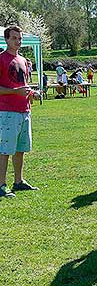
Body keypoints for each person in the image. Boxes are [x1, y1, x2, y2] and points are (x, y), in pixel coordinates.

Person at [0, 25, 40, 198]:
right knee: (5, 149)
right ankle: (1, 184)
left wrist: (31, 93)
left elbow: (21, 84)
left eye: (20, 38)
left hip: (24, 110)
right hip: (7, 111)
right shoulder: (1, 59)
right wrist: (15, 92)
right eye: (14, 38)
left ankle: (19, 181)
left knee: (20, 148)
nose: (18, 41)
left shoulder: (23, 60)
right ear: (6, 39)